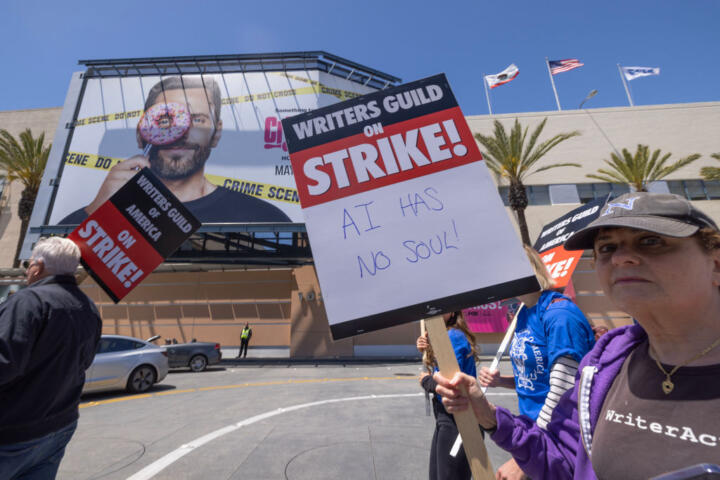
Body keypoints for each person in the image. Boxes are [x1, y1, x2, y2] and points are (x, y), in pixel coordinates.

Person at [432, 192, 720, 479]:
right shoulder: (607, 363)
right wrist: (490, 416)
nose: (620, 258)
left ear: (716, 263)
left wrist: (523, 456)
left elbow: (559, 385)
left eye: (650, 241)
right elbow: (567, 462)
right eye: (606, 248)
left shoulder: (559, 314)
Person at [58, 76, 291, 224]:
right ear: (141, 132)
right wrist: (96, 210)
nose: (180, 132)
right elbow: (51, 261)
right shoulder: (104, 208)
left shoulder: (263, 217)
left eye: (198, 120)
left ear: (217, 133)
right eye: (165, 120)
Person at [477, 246, 595, 479]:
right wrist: (503, 381)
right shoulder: (524, 313)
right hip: (534, 429)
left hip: (559, 439)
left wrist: (528, 452)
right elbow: (538, 378)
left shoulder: (559, 314)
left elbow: (564, 390)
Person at [0, 237, 102, 479]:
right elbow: (85, 362)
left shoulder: (27, 302)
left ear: (38, 266)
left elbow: (4, 364)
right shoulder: (88, 307)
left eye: (28, 265)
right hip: (60, 425)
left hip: (13, 432)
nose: (27, 271)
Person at [416, 311, 478, 480]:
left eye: (440, 307)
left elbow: (452, 386)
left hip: (458, 420)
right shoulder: (444, 336)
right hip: (446, 418)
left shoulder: (453, 336)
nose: (432, 311)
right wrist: (426, 350)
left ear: (452, 312)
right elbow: (440, 372)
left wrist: (426, 381)